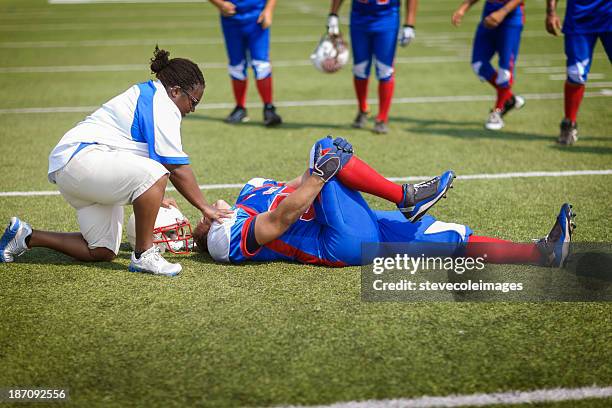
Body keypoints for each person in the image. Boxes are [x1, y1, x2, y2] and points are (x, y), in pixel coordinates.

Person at [0, 47, 232, 276]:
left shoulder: (154, 97)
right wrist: (204, 207)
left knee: (101, 250)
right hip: (80, 159)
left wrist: (153, 195)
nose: (192, 109)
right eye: (193, 101)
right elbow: (176, 167)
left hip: (77, 168)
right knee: (157, 174)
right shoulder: (161, 102)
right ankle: (144, 254)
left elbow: (135, 158)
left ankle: (27, 236)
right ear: (175, 91)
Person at [192, 137, 575, 267]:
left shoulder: (249, 190)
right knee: (325, 147)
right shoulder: (221, 239)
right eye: (194, 223)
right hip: (335, 242)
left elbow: (293, 186)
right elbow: (280, 220)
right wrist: (324, 170)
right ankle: (406, 197)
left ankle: (540, 253)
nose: (198, 218)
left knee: (447, 236)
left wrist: (320, 171)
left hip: (346, 218)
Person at [327, 0, 419, 134]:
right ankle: (363, 108)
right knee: (360, 68)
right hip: (359, 17)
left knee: (385, 70)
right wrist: (333, 14)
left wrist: (409, 24)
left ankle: (382, 118)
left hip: (387, 18)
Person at [452, 0, 526, 130]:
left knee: (505, 70)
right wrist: (463, 8)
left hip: (511, 17)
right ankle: (509, 98)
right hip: (489, 14)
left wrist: (502, 12)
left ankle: (497, 111)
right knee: (478, 64)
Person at [545, 0, 611, 145]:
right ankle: (569, 123)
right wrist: (551, 12)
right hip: (579, 18)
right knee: (576, 74)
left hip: (609, 14)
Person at [209, 0, 283, 127]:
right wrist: (220, 4)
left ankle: (269, 108)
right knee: (236, 65)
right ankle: (240, 108)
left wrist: (269, 9)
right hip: (231, 18)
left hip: (257, 18)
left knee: (261, 64)